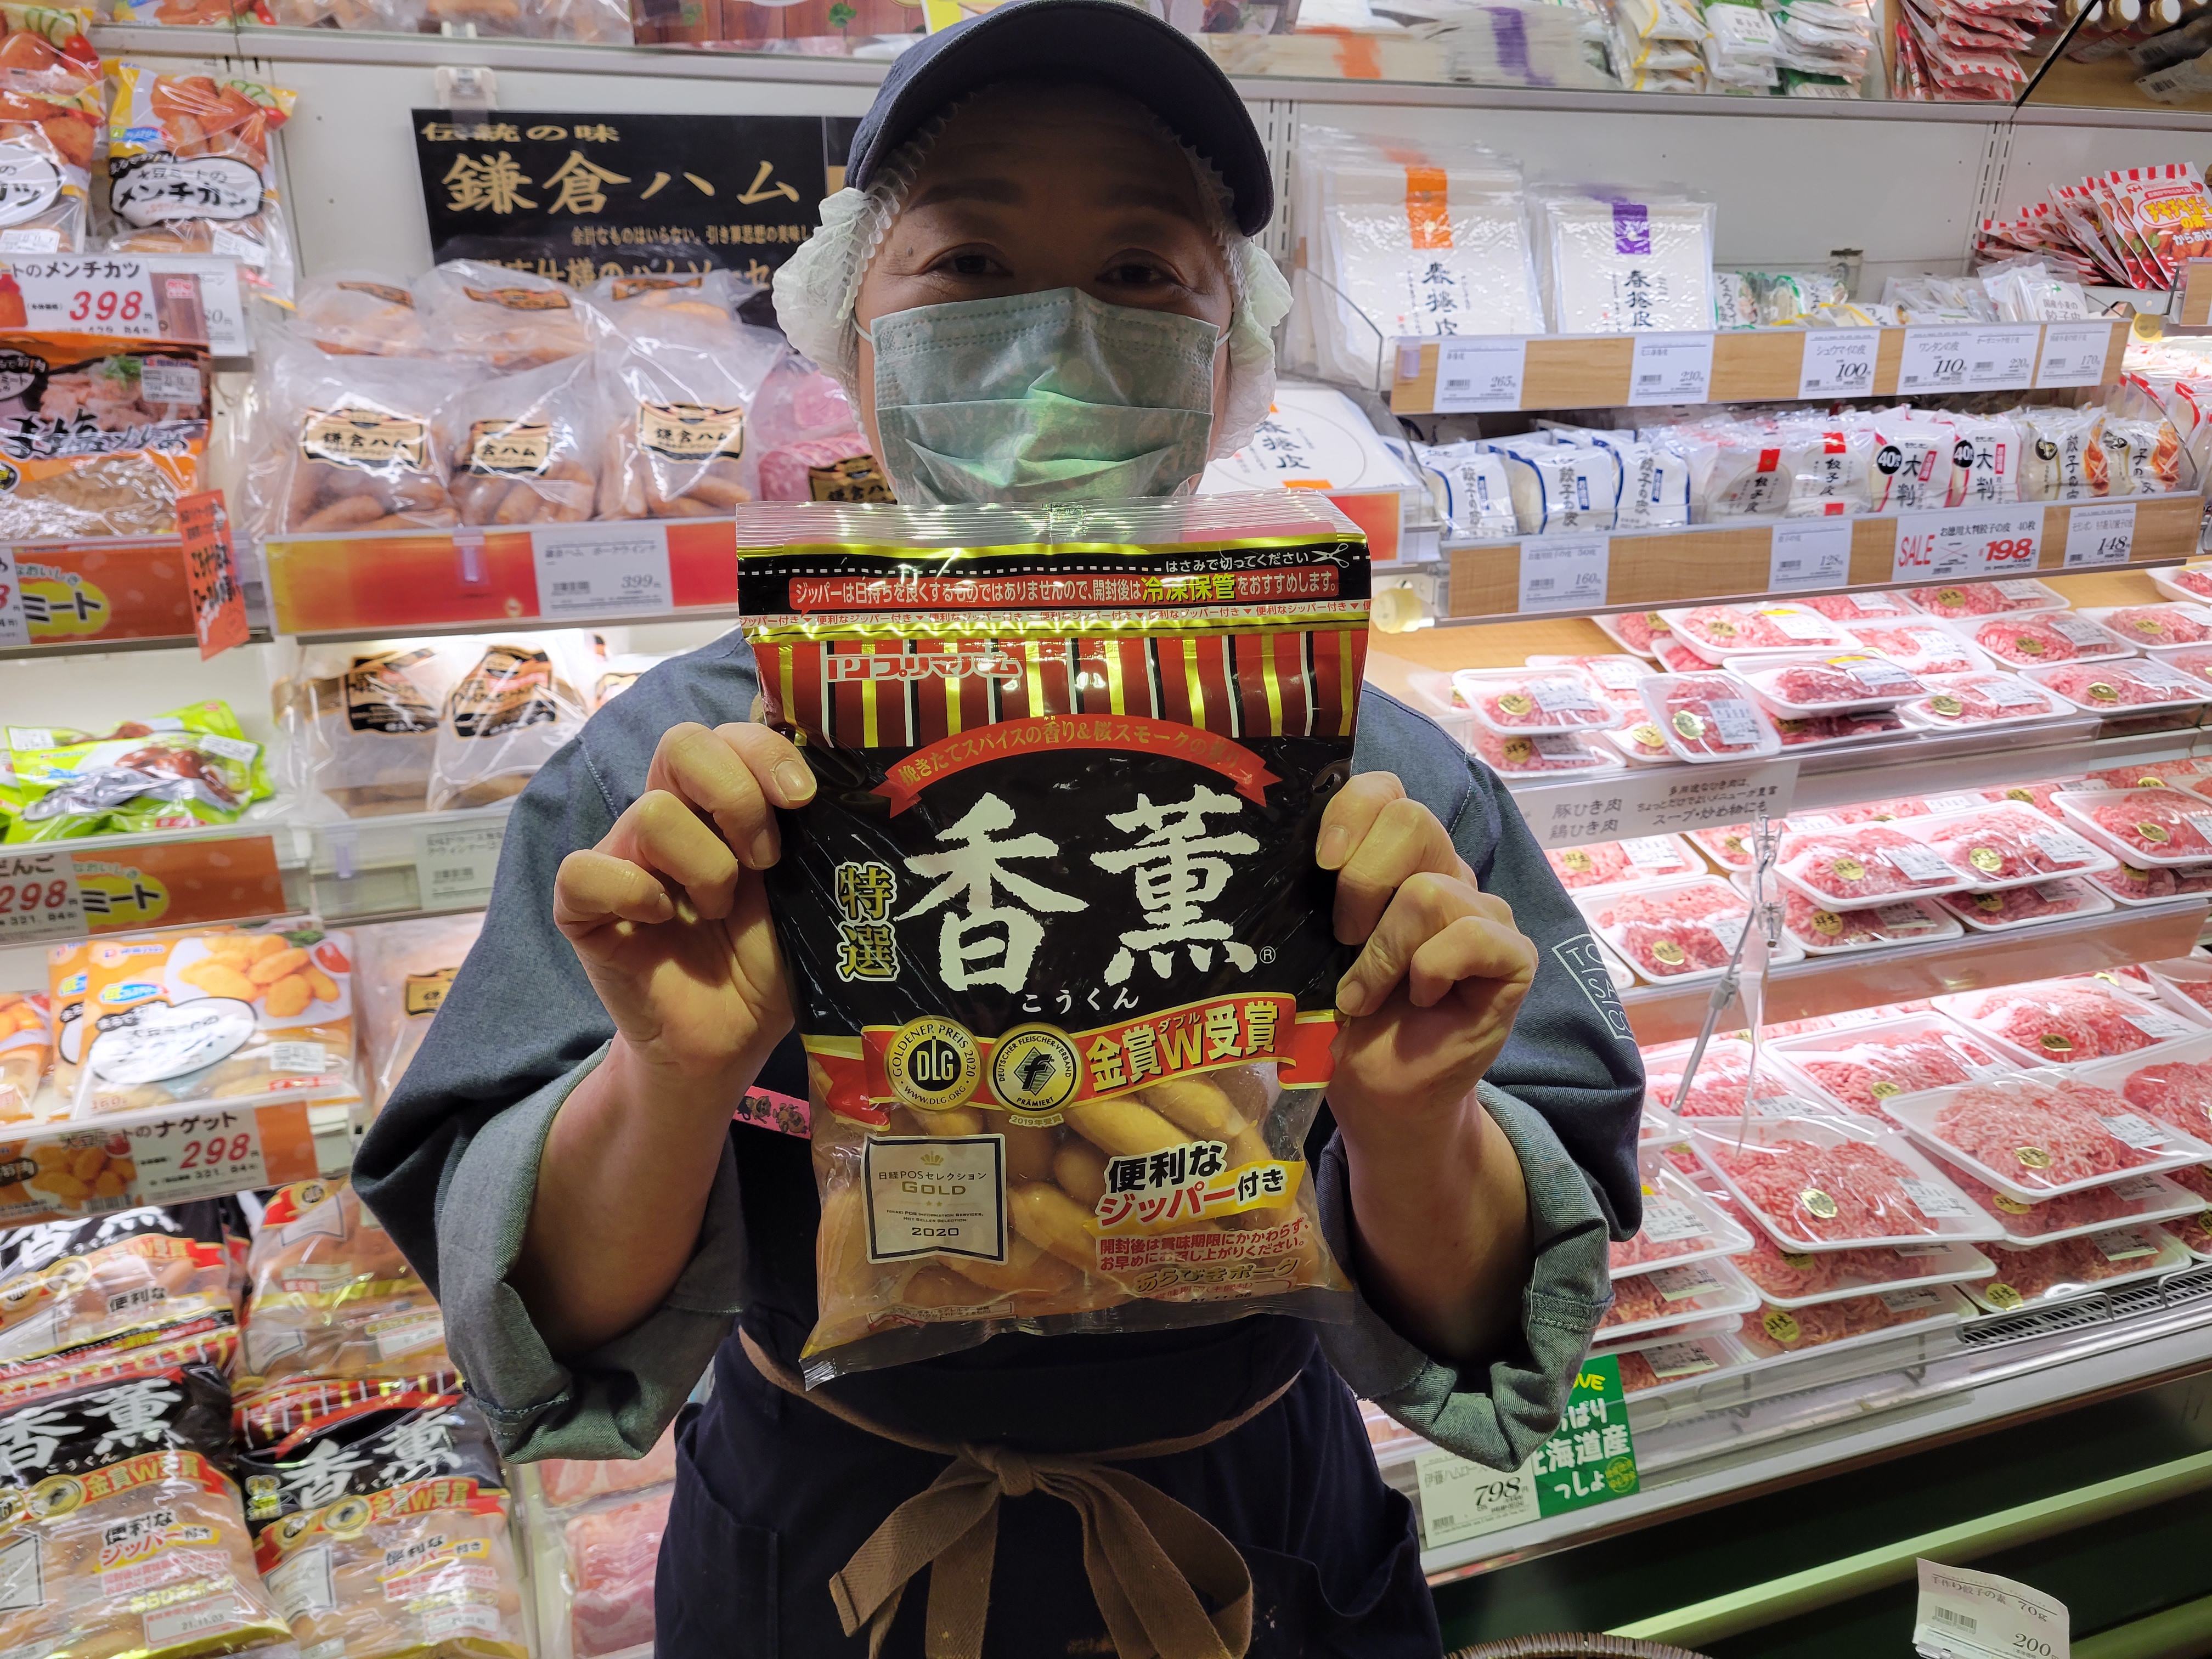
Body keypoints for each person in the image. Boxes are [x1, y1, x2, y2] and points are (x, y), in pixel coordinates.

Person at [354, 3, 1644, 1652]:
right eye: (967, 265)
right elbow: (551, 1320)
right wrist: (667, 1079)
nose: (1055, 337)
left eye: (1140, 272)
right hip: (823, 1543)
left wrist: (1412, 1126)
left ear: (1233, 351)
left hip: (1253, 1524)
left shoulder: (1383, 787)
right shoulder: (681, 779)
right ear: (848, 332)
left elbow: (1494, 1315)